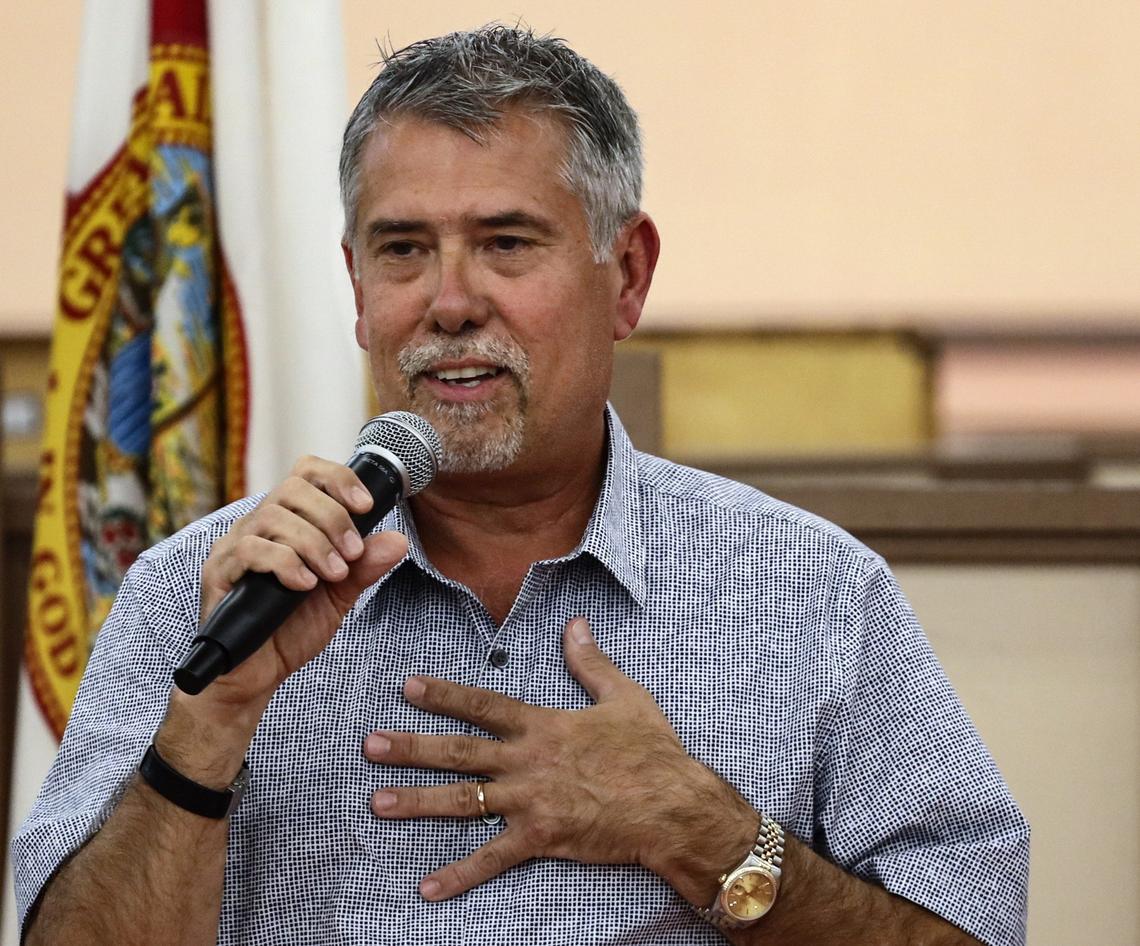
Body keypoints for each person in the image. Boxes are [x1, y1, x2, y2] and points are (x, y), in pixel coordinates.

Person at [12, 25, 1029, 946]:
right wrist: (210, 723)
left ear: (626, 275)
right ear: (358, 291)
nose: (449, 302)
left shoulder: (811, 590)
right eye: (404, 249)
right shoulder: (203, 593)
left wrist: (710, 834)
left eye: (505, 242)